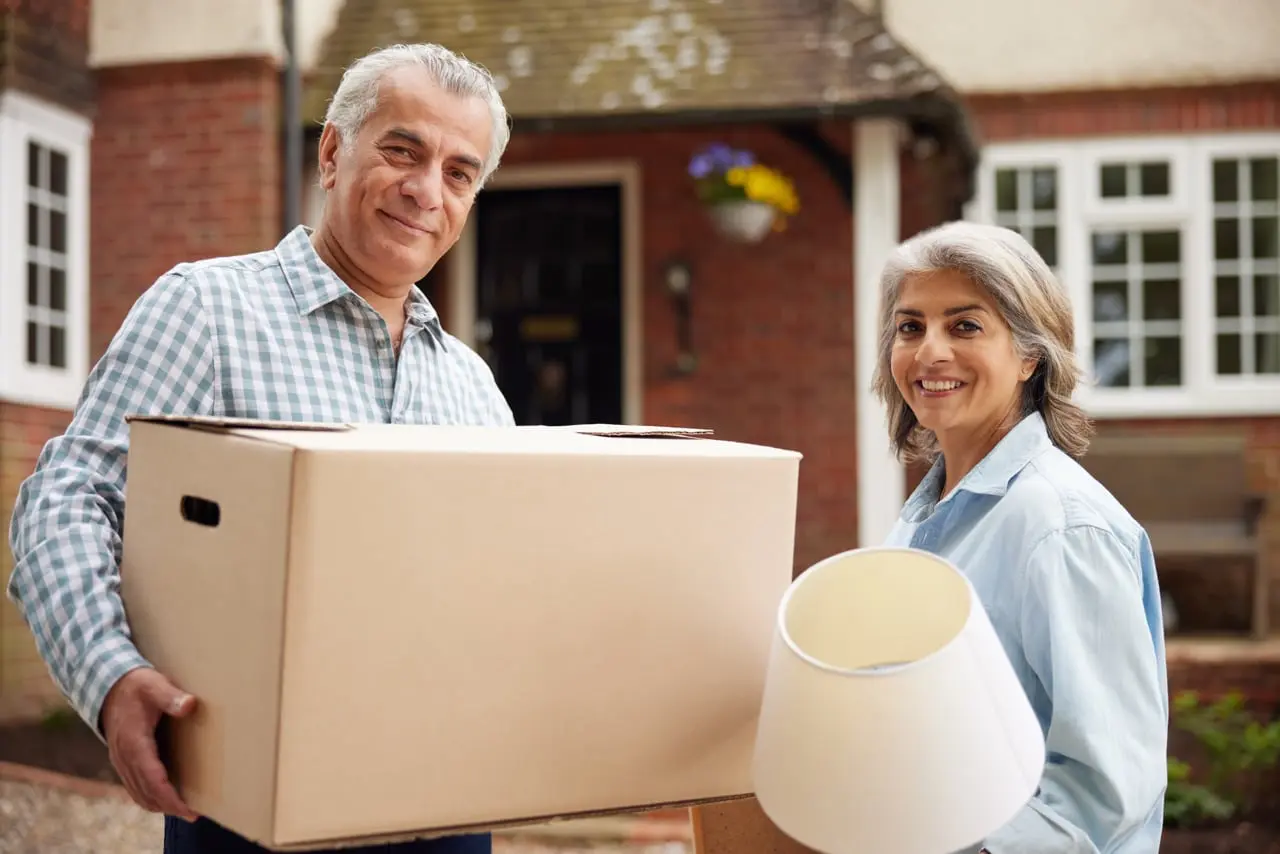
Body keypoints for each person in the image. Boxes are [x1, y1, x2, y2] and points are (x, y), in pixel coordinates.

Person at [8, 43, 516, 854]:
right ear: (331, 153)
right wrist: (109, 677)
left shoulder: (474, 389)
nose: (427, 191)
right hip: (250, 809)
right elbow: (69, 498)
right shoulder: (206, 310)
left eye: (459, 173)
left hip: (444, 808)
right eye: (402, 151)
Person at [872, 221, 1169, 853]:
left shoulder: (1060, 526)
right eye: (910, 327)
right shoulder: (921, 520)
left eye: (965, 326)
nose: (930, 352)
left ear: (1030, 354)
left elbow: (1104, 790)